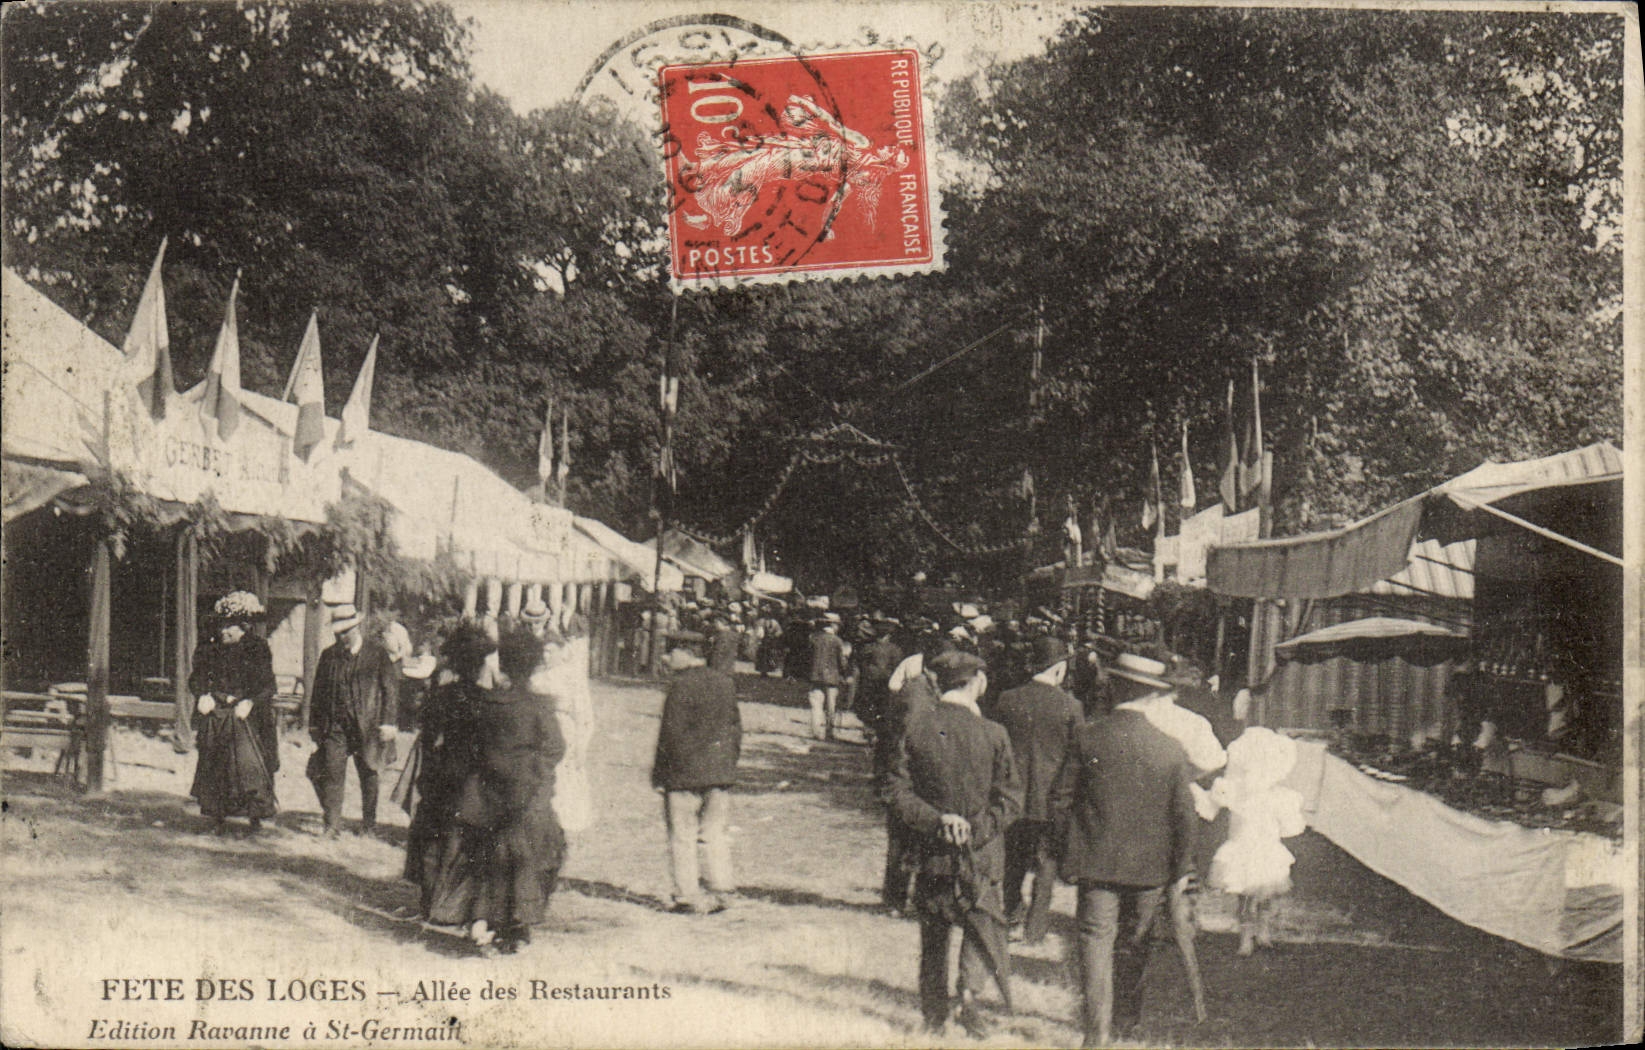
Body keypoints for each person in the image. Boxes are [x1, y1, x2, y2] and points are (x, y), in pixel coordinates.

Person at [1051, 675, 1200, 1047]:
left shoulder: (1087, 737)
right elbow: (1185, 817)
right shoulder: (1169, 748)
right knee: (1136, 942)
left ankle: (1096, 1034)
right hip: (1151, 870)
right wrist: (1181, 871)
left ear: (1114, 691)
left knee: (1094, 942)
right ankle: (1125, 1020)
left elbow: (1060, 801)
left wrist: (1064, 853)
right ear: (1152, 696)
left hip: (1095, 864)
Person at [888, 650, 1023, 1037]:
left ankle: (934, 1016)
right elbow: (1010, 799)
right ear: (977, 682)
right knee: (981, 926)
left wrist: (937, 822)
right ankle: (968, 995)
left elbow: (895, 790)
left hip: (932, 852)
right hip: (981, 855)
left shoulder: (914, 728)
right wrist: (975, 829)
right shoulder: (995, 734)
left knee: (934, 935)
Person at [460, 626, 567, 953]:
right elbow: (555, 748)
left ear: (503, 665)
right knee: (530, 856)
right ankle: (515, 925)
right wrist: (535, 771)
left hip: (487, 792)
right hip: (526, 793)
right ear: (533, 665)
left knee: (487, 856)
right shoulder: (540, 706)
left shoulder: (486, 702)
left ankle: (483, 920)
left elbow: (472, 747)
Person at [991, 636, 1085, 944]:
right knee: (1047, 862)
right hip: (1051, 800)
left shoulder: (1007, 699)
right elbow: (1076, 758)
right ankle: (1035, 927)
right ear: (1059, 669)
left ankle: (1011, 912)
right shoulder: (1072, 707)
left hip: (1012, 796)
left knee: (1012, 859)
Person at [404, 622, 493, 922]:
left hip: (441, 774)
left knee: (433, 838)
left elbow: (427, 739)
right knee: (462, 840)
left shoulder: (440, 696)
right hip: (470, 779)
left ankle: (431, 901)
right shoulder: (487, 701)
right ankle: (456, 905)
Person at [652, 641, 742, 914]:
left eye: (672, 652)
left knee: (682, 834)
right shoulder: (725, 683)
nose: (667, 658)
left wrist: (661, 773)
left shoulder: (680, 686)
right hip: (719, 773)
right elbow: (735, 729)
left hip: (684, 775)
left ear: (687, 654)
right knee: (715, 833)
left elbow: (670, 734)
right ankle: (722, 889)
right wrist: (727, 765)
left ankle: (687, 895)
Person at [1201, 727, 1307, 956]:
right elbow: (1210, 806)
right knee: (1245, 899)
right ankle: (1246, 937)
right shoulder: (1233, 791)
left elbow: (1291, 827)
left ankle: (1264, 932)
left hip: (1266, 851)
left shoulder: (1279, 796)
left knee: (1266, 896)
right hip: (1241, 850)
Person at [188, 591, 278, 834]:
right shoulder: (209, 648)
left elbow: (269, 686)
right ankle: (217, 817)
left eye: (231, 627)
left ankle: (254, 818)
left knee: (248, 766)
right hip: (217, 715)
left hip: (247, 716)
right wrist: (202, 695)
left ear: (244, 628)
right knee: (215, 764)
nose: (224, 631)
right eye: (222, 626)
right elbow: (196, 679)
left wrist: (250, 702)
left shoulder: (257, 649)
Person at [309, 603, 401, 837]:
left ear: (355, 628)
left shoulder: (377, 653)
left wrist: (389, 723)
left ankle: (368, 824)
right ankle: (332, 825)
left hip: (368, 725)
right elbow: (318, 692)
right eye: (337, 633)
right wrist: (314, 724)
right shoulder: (329, 656)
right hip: (336, 725)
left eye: (344, 632)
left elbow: (390, 689)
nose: (340, 637)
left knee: (369, 772)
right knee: (331, 772)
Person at [807, 612, 850, 741]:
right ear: (833, 625)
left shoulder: (813, 638)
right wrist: (845, 673)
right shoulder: (837, 641)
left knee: (816, 704)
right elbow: (841, 661)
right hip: (832, 678)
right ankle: (829, 732)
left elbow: (807, 658)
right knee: (831, 706)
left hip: (815, 676)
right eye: (837, 625)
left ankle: (816, 731)